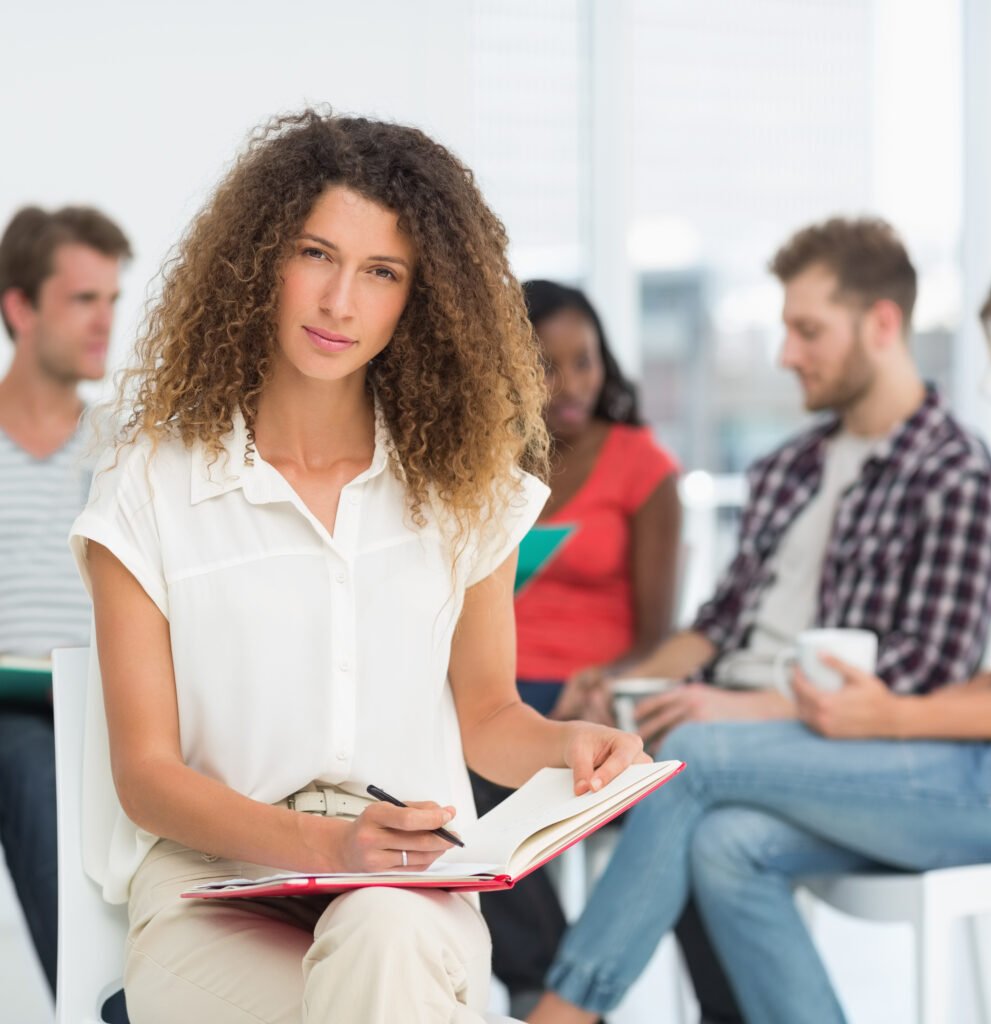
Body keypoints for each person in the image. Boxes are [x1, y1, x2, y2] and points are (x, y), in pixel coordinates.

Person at [67, 109, 646, 1024]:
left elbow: (490, 716)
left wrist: (564, 747)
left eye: (382, 272)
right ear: (260, 259)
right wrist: (324, 844)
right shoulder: (148, 485)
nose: (341, 302)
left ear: (421, 299)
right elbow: (145, 774)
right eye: (316, 254)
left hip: (410, 887)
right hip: (213, 898)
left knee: (382, 939)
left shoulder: (462, 488)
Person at [527, 253, 991, 1024]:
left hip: (977, 774)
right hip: (941, 752)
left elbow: (923, 683)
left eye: (807, 330)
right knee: (727, 844)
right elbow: (719, 623)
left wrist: (884, 715)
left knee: (692, 761)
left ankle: (561, 1014)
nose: (785, 352)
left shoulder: (959, 474)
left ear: (880, 326)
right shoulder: (791, 467)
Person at [474, 280, 681, 1018]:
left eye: (585, 361)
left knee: (479, 763)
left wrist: (603, 683)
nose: (571, 384)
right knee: (445, 765)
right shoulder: (487, 461)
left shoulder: (640, 463)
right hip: (496, 681)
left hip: (592, 692)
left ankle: (547, 1001)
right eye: (548, 364)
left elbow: (660, 630)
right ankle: (548, 988)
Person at [0, 205, 131, 997]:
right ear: (20, 307)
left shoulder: (125, 443)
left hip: (97, 704)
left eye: (113, 301)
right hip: (13, 711)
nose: (104, 323)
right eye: (84, 300)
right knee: (26, 753)